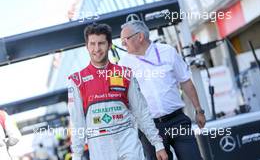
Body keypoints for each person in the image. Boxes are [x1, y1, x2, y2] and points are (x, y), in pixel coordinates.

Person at [67, 23, 168, 160]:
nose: (97, 49)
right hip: (100, 149)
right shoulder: (77, 81)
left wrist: (157, 143)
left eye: (101, 43)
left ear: (109, 45)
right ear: (87, 46)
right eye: (92, 44)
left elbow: (141, 111)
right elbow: (77, 122)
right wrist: (77, 156)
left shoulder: (124, 74)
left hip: (128, 143)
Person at [119, 20, 206, 160]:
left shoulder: (168, 51)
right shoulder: (124, 64)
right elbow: (122, 97)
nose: (123, 44)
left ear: (140, 37)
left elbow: (185, 81)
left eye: (125, 39)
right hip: (149, 128)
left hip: (177, 120)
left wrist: (199, 110)